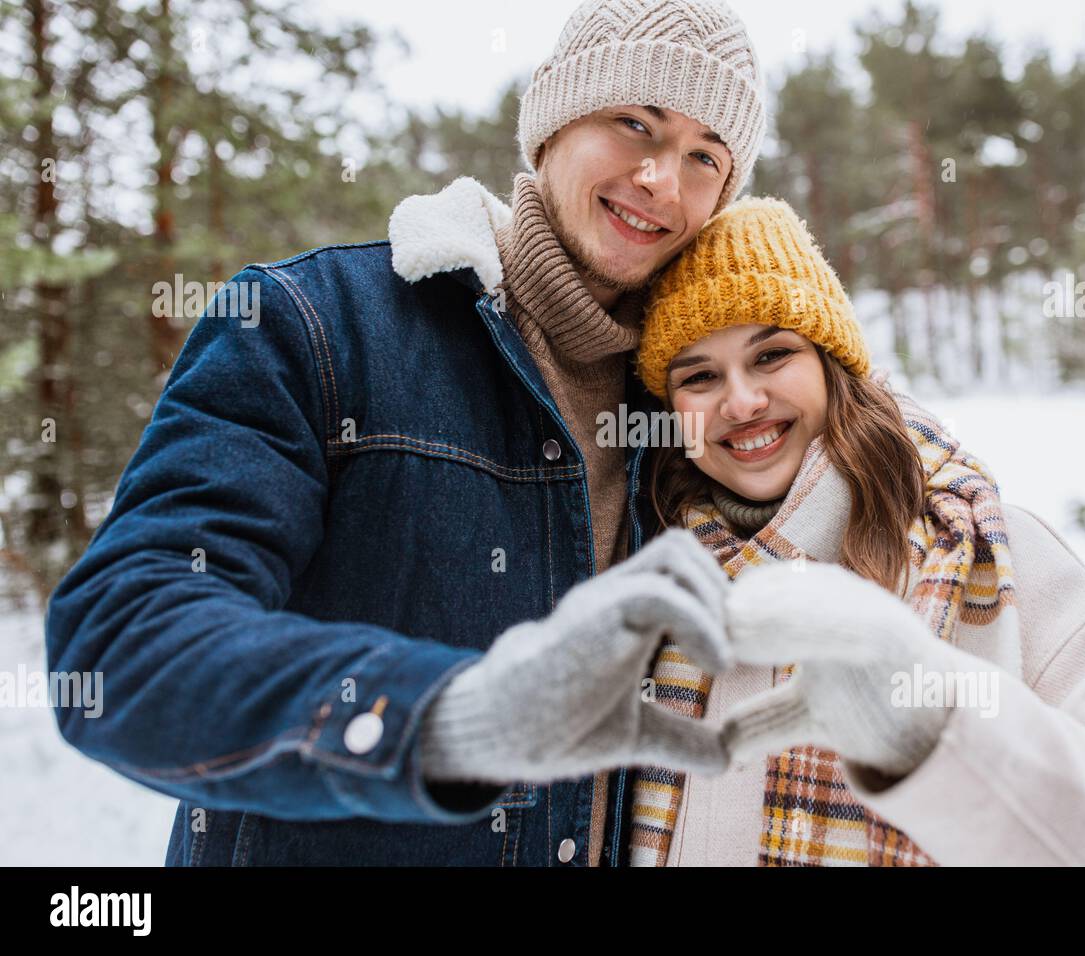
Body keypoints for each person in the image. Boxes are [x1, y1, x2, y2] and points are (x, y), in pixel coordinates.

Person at [43, 0, 768, 867]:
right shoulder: (313, 327)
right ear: (549, 119)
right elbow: (121, 645)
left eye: (704, 158)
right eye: (634, 122)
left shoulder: (686, 407)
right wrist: (446, 719)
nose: (662, 179)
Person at [622, 195, 1085, 866]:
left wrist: (938, 730)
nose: (742, 402)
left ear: (834, 366)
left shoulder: (998, 555)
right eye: (699, 376)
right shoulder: (652, 587)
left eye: (773, 355)